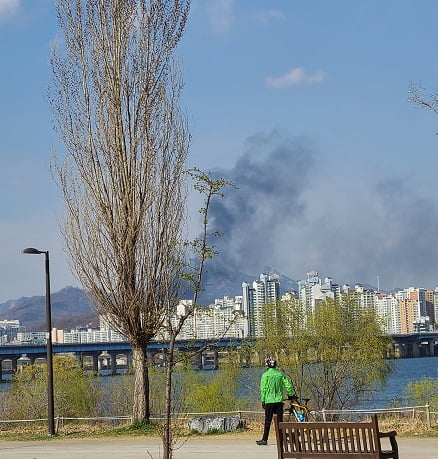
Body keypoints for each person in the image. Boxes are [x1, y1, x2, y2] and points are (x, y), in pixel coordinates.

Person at [256, 357, 295, 446]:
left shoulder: (265, 375)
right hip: (278, 401)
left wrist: (263, 400)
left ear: (267, 365)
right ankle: (281, 439)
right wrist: (290, 394)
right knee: (279, 421)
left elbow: (263, 389)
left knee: (268, 421)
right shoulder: (280, 374)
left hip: (269, 401)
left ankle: (264, 439)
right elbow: (288, 385)